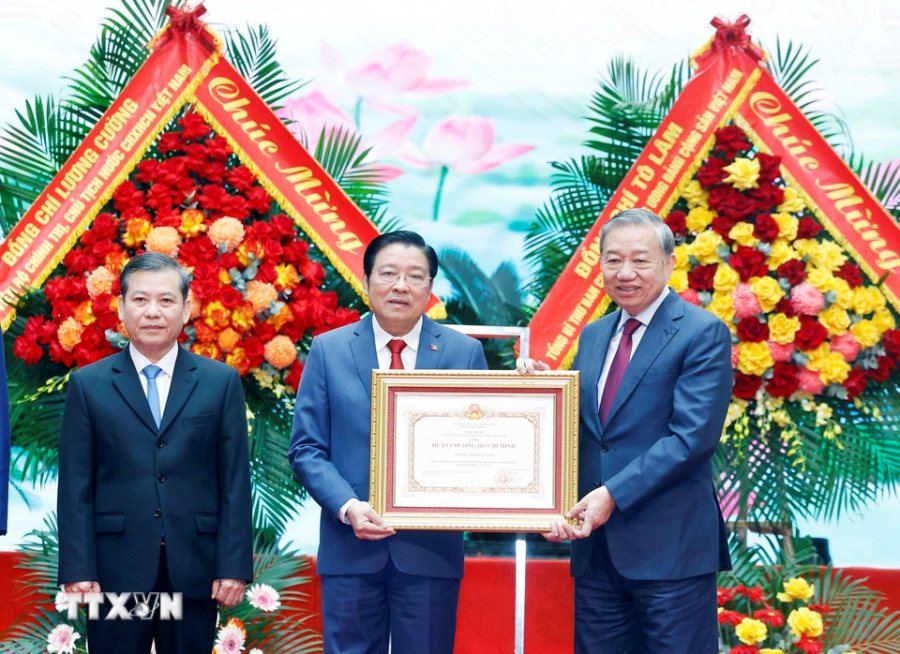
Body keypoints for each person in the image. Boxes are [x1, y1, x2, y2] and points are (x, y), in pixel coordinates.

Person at [518, 208, 733, 652]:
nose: (625, 272)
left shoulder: (701, 332)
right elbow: (588, 430)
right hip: (596, 551)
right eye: (613, 260)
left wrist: (611, 494)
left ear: (670, 262)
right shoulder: (595, 335)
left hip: (671, 550)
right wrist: (545, 395)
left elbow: (691, 439)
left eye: (640, 259)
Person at [289, 230, 488, 654]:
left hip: (430, 551)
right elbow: (306, 448)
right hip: (351, 546)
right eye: (389, 273)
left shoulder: (463, 353)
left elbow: (483, 441)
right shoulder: (329, 350)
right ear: (365, 282)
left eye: (415, 276)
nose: (401, 286)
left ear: (430, 289)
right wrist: (348, 507)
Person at [57, 252, 253, 653]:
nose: (152, 312)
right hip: (116, 569)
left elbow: (234, 480)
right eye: (140, 300)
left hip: (194, 568)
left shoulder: (220, 382)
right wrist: (78, 568)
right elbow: (76, 484)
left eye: (166, 301)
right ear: (121, 308)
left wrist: (233, 565)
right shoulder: (88, 385)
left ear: (186, 310)